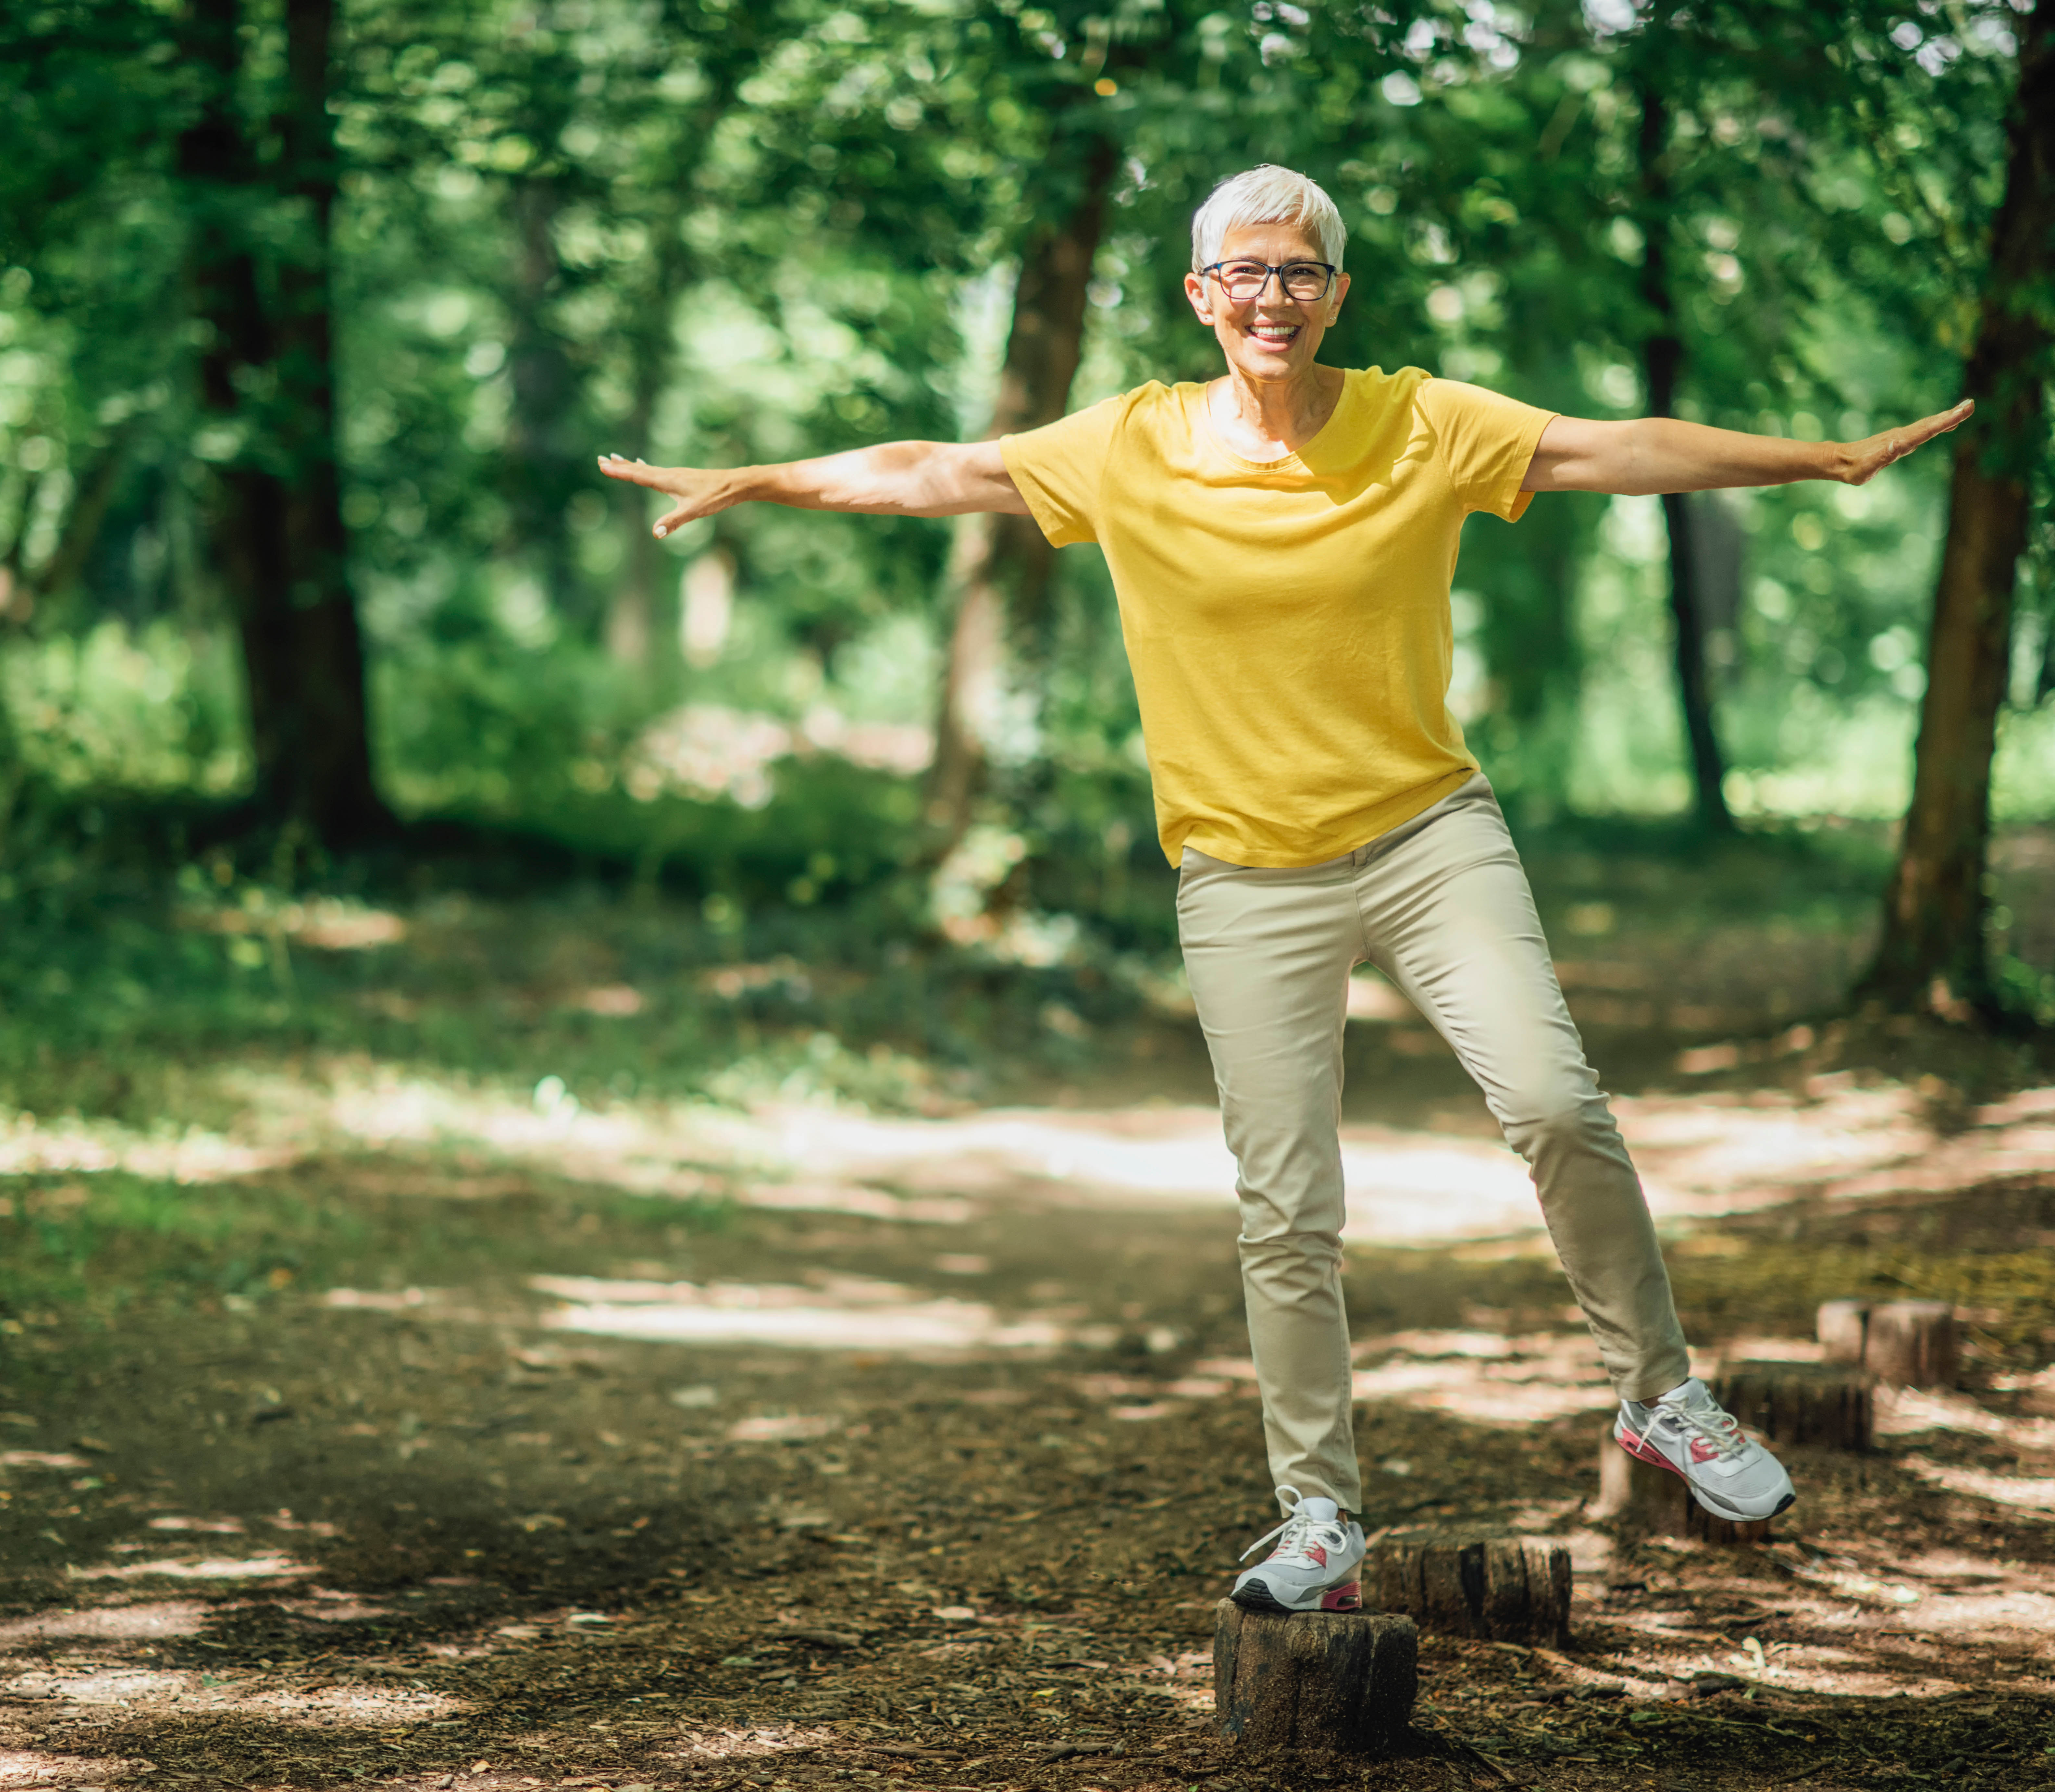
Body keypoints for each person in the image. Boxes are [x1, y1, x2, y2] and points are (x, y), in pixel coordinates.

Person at [599, 164, 1970, 1615]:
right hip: (1246, 871)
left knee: (1558, 1105)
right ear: (1203, 296)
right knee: (1288, 1204)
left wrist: (1817, 459)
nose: (1273, 296)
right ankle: (1320, 1506)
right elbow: (944, 469)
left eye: (1300, 272)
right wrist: (756, 480)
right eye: (1245, 273)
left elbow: (1611, 447)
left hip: (1429, 833)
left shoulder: (1422, 421)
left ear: (1336, 294)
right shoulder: (1129, 444)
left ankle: (1659, 1395)